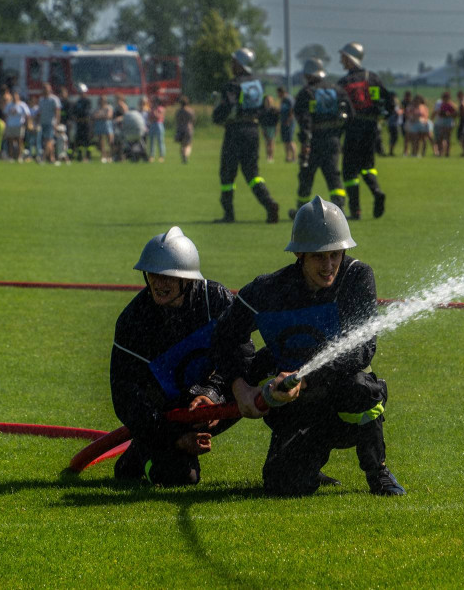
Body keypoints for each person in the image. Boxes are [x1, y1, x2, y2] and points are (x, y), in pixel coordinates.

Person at [211, 196, 405, 497]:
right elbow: (224, 337)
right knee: (282, 485)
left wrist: (305, 377)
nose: (329, 266)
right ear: (300, 253)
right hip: (293, 406)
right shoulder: (267, 291)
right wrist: (239, 387)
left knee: (362, 387)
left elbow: (363, 349)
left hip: (342, 399)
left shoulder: (356, 278)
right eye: (318, 256)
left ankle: (377, 470)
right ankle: (308, 463)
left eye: (335, 254)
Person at [110, 227, 252, 486]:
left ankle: (294, 455)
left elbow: (243, 356)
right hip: (163, 415)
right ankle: (142, 454)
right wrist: (174, 437)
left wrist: (211, 394)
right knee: (181, 477)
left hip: (213, 400)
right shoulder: (133, 321)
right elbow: (125, 396)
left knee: (267, 373)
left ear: (188, 280)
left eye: (169, 277)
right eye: (153, 274)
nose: (158, 283)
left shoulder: (216, 301)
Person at [212, 47, 281, 223]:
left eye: (234, 62)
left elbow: (227, 106)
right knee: (252, 173)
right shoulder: (258, 84)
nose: (231, 65)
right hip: (253, 131)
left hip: (235, 131)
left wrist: (216, 117)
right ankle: (269, 202)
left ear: (240, 65)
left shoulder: (233, 85)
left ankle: (229, 214)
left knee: (227, 173)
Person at [289, 58, 351, 218]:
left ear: (308, 75)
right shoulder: (337, 90)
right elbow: (349, 114)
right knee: (333, 176)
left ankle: (300, 212)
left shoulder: (306, 93)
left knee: (306, 176)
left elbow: (304, 120)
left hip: (313, 141)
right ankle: (340, 210)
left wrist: (305, 142)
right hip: (333, 140)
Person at [337, 42, 391, 220]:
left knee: (350, 171)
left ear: (350, 58)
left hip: (353, 128)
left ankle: (356, 210)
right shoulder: (372, 78)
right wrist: (382, 118)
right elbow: (388, 101)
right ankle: (377, 192)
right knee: (368, 166)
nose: (341, 61)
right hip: (371, 129)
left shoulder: (344, 82)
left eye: (343, 57)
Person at [2, 92, 31, 162]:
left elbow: (27, 114)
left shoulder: (22, 105)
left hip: (19, 125)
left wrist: (28, 124)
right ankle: (11, 156)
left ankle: (19, 156)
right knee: (10, 141)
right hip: (10, 125)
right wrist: (5, 124)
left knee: (19, 141)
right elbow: (5, 115)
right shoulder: (9, 105)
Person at [37, 83, 61, 165]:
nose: (45, 90)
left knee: (48, 140)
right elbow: (40, 112)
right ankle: (52, 158)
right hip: (43, 122)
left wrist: (57, 123)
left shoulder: (54, 99)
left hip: (51, 123)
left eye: (46, 89)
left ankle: (43, 158)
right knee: (48, 141)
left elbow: (57, 112)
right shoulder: (41, 100)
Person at [432, 91, 457, 157]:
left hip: (448, 123)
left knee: (447, 138)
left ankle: (447, 152)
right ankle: (441, 152)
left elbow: (455, 113)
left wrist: (448, 114)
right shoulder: (440, 104)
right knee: (441, 138)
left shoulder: (451, 104)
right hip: (441, 122)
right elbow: (437, 112)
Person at [71, 84, 93, 161]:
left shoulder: (88, 101)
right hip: (79, 124)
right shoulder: (77, 102)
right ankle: (80, 156)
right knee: (79, 140)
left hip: (86, 124)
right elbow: (74, 112)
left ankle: (88, 156)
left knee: (87, 140)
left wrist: (81, 117)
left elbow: (87, 112)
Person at [276, 86, 297, 163]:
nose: (277, 95)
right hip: (283, 121)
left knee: (290, 140)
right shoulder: (282, 100)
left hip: (289, 122)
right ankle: (288, 157)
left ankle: (294, 157)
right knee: (285, 140)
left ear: (281, 92)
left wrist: (289, 120)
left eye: (278, 93)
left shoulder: (288, 99)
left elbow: (292, 110)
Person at [91, 95, 115, 163]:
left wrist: (100, 116)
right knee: (101, 142)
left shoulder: (109, 107)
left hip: (107, 126)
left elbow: (109, 116)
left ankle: (110, 156)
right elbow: (94, 116)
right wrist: (102, 116)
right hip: (99, 126)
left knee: (110, 141)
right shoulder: (97, 108)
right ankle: (103, 156)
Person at [174, 96, 196, 164]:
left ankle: (183, 156)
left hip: (180, 129)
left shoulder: (178, 111)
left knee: (182, 145)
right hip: (188, 129)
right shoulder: (190, 111)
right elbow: (193, 120)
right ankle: (186, 155)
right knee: (188, 145)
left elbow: (176, 120)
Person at [260, 95, 279, 163]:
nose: (268, 102)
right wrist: (262, 128)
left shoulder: (274, 110)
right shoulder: (263, 110)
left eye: (269, 100)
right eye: (267, 100)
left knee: (271, 142)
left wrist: (277, 128)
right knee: (266, 143)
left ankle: (271, 156)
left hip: (272, 127)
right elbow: (261, 120)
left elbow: (277, 120)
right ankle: (267, 156)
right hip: (265, 127)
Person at [147, 96, 166, 163]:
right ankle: (151, 156)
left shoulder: (160, 109)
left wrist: (154, 111)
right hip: (152, 124)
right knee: (152, 141)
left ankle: (161, 156)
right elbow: (149, 118)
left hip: (158, 125)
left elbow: (158, 116)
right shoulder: (151, 109)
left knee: (160, 141)